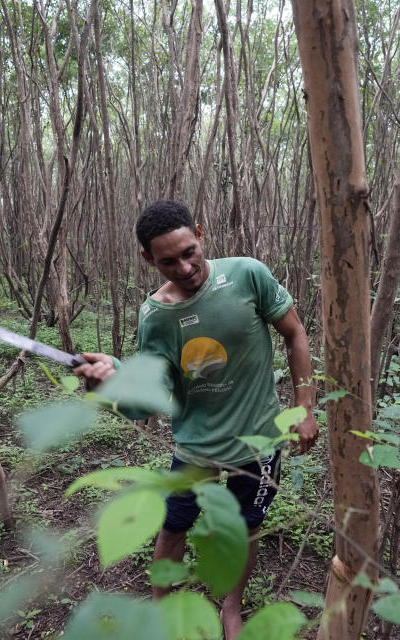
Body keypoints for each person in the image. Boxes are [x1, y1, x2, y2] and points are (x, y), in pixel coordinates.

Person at [74, 199, 316, 639]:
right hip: (195, 446)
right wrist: (107, 385)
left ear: (200, 234)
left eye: (189, 252)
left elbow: (295, 333)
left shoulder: (247, 274)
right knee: (173, 527)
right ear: (148, 259)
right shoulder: (156, 318)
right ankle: (160, 612)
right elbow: (147, 404)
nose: (184, 268)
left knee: (247, 527)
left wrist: (304, 408)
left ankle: (231, 607)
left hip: (259, 441)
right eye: (168, 261)